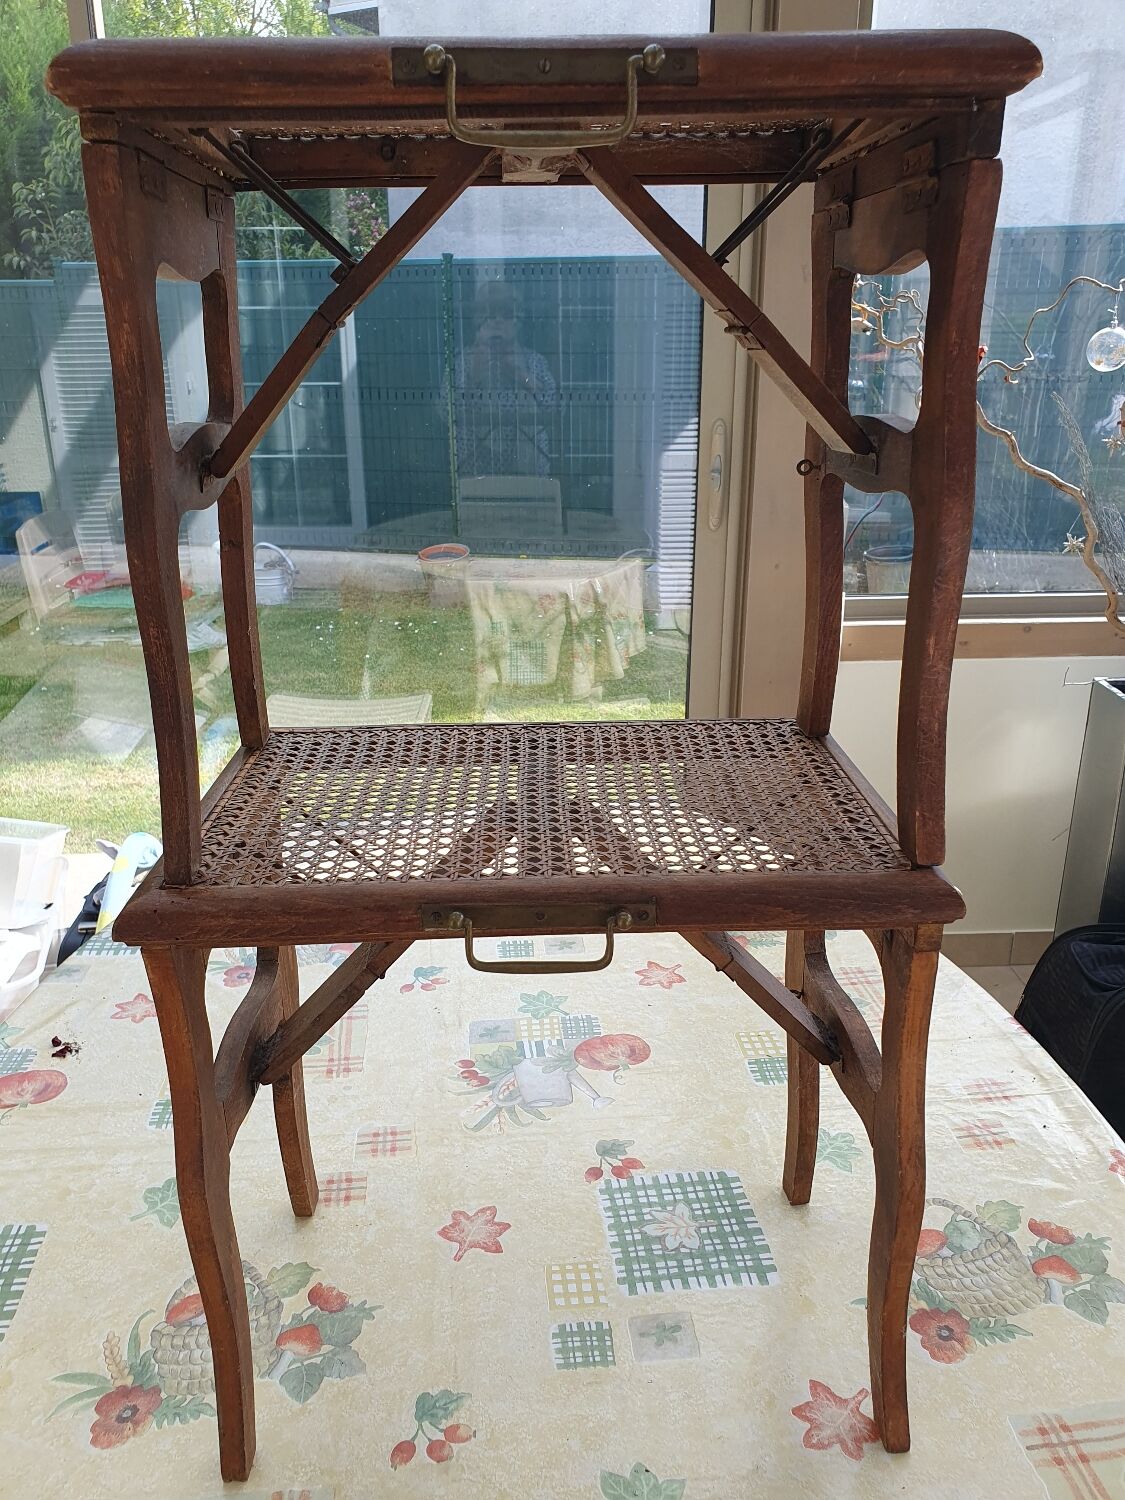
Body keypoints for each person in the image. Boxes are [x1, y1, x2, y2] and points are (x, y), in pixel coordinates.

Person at [453, 280, 557, 478]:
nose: (497, 320)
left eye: (507, 313)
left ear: (518, 320)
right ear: (477, 320)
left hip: (530, 478)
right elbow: (444, 412)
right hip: (476, 476)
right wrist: (473, 376)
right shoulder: (462, 362)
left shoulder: (534, 361)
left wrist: (519, 374)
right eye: (489, 314)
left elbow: (555, 409)